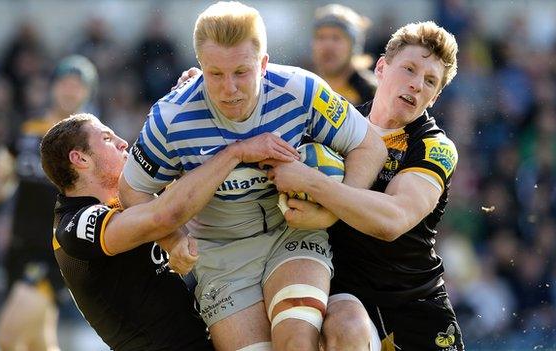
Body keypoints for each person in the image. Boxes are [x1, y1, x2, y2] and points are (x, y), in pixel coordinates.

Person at [120, 2, 387, 350]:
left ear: (263, 64)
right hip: (218, 252)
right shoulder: (170, 118)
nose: (229, 88)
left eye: (241, 72)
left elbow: (370, 146)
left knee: (296, 341)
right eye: (215, 74)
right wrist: (172, 240)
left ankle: (350, 326)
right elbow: (131, 190)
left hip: (290, 233)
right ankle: (348, 324)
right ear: (200, 66)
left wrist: (338, 206)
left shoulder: (301, 90)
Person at [265, 21, 465, 351]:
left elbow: (391, 221)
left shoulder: (435, 147)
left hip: (414, 305)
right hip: (348, 296)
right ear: (382, 68)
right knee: (345, 325)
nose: (416, 85)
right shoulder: (339, 128)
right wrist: (198, 87)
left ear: (436, 95)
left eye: (430, 81)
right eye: (409, 70)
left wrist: (312, 184)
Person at [40, 113, 298, 350]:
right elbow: (162, 216)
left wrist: (191, 101)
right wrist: (236, 153)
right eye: (107, 138)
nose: (123, 143)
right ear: (80, 159)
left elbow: (185, 189)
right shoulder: (75, 225)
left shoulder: (124, 201)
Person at [0, 55, 97, 350]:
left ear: (88, 92)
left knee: (8, 338)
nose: (69, 90)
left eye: (77, 85)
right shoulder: (28, 131)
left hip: (56, 253)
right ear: (52, 86)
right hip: (19, 249)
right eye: (64, 83)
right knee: (38, 343)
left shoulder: (92, 141)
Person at [311, 4, 377, 105]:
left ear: (353, 47)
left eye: (336, 38)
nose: (327, 45)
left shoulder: (373, 93)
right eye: (321, 37)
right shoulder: (307, 88)